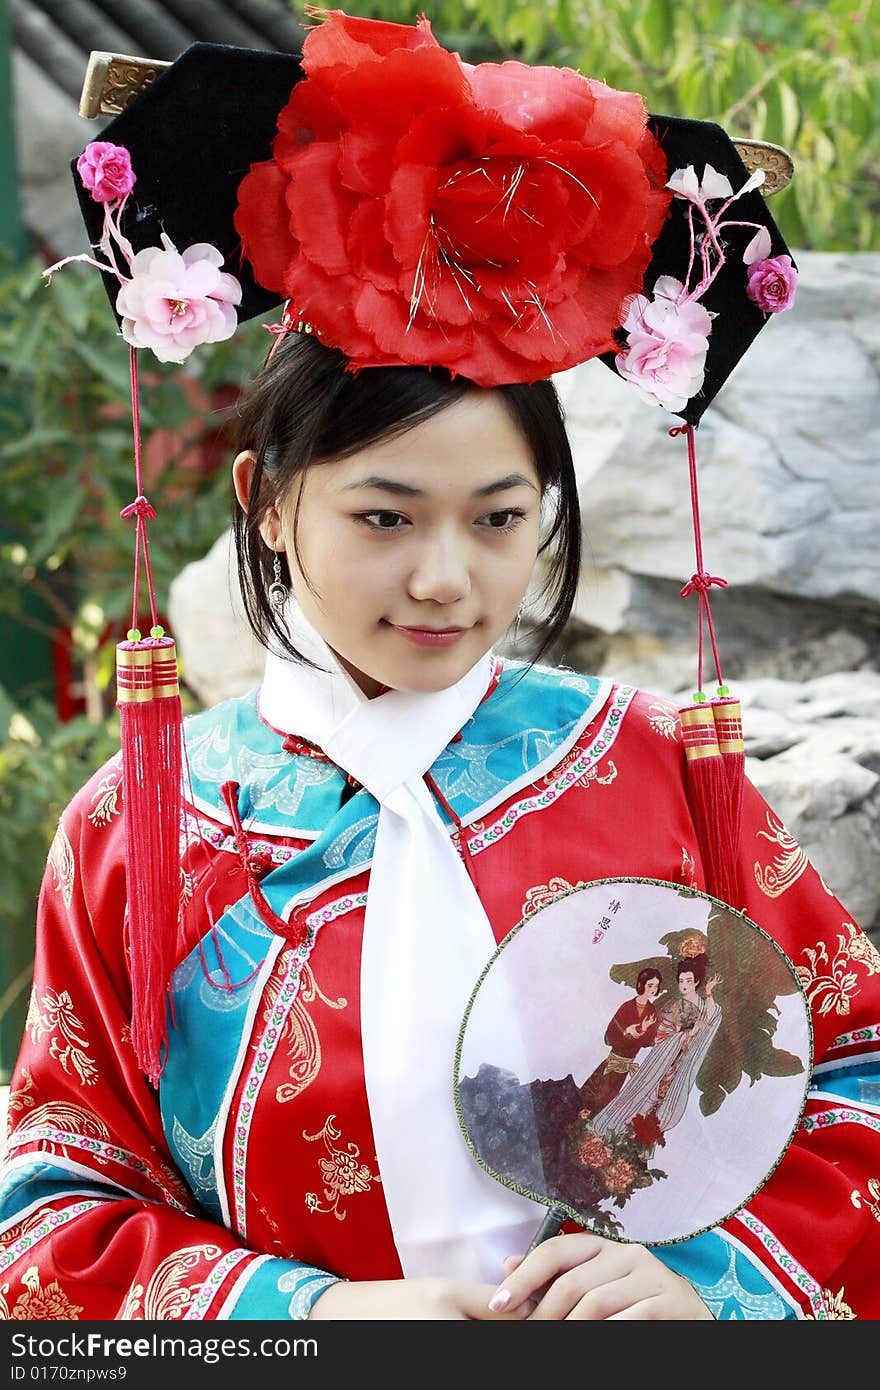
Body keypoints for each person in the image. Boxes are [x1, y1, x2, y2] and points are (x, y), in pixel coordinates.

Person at [1, 11, 878, 1323]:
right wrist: (300, 1314)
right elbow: (54, 1204)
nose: (446, 579)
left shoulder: (647, 768)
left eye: (500, 517)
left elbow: (852, 1073)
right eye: (384, 514)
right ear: (267, 503)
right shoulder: (138, 827)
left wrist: (705, 1286)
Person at [590, 957, 722, 1138]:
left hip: (681, 1061)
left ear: (697, 981)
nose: (684, 985)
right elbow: (661, 1036)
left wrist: (709, 992)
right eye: (681, 980)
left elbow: (712, 1017)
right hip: (663, 1058)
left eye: (689, 981)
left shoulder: (702, 1004)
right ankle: (619, 1134)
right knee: (645, 1096)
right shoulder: (674, 1006)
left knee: (662, 1102)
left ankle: (640, 1139)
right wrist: (685, 1035)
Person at [578, 969, 664, 1119]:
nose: (653, 989)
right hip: (612, 1061)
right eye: (650, 985)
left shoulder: (652, 1012)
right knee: (590, 1097)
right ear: (641, 984)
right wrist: (627, 1031)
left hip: (626, 1066)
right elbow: (609, 1036)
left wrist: (640, 1030)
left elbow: (647, 1042)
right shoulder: (627, 1007)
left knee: (608, 1103)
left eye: (656, 986)